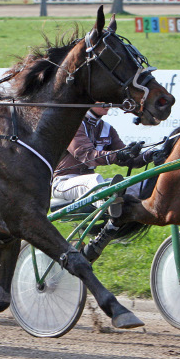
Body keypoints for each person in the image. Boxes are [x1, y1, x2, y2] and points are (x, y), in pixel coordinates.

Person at [51, 105, 156, 262]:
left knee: (137, 184)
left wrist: (150, 154)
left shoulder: (107, 129)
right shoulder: (73, 124)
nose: (108, 104)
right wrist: (118, 154)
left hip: (91, 184)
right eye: (103, 100)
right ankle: (110, 208)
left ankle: (119, 207)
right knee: (95, 180)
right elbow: (87, 156)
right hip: (64, 183)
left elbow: (130, 160)